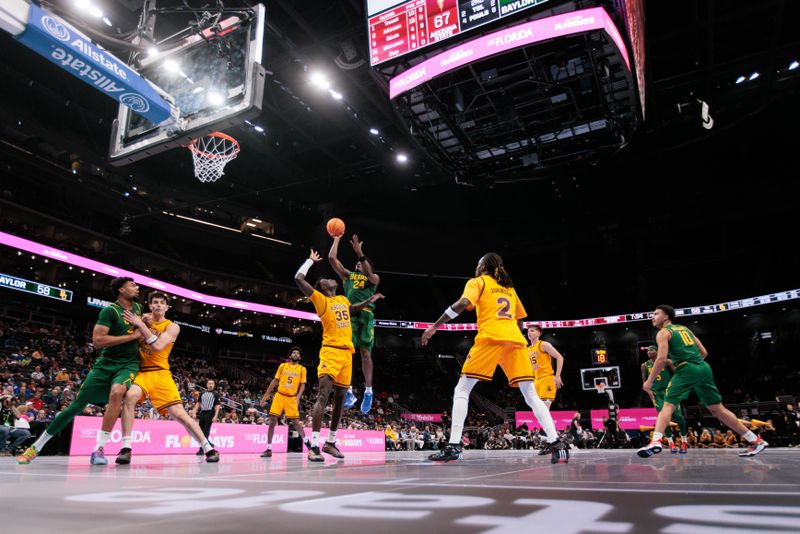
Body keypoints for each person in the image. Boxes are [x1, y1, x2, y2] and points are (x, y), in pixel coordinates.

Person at [421, 253, 568, 463]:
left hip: (490, 338)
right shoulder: (509, 289)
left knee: (462, 389)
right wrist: (516, 341)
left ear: (483, 267)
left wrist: (434, 326)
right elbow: (519, 321)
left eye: (478, 263)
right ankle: (557, 443)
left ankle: (453, 446)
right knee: (531, 395)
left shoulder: (478, 282)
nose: (476, 266)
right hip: (515, 341)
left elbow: (462, 303)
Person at [18, 277, 143, 465]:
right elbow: (98, 341)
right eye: (132, 285)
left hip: (128, 364)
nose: (137, 287)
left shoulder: (138, 309)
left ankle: (98, 449)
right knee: (76, 406)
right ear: (121, 290)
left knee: (118, 392)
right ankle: (36, 447)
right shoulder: (110, 311)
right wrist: (132, 336)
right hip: (105, 363)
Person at [637, 305, 767, 458]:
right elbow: (704, 352)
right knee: (718, 409)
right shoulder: (685, 329)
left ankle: (656, 441)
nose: (652, 317)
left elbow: (662, 359)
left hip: (686, 369)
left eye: (656, 313)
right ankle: (756, 440)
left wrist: (649, 381)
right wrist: (695, 366)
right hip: (704, 367)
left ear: (666, 317)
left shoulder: (663, 332)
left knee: (667, 405)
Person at [294, 249, 384, 462]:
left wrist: (370, 299)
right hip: (331, 353)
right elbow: (298, 278)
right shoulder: (321, 301)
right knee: (323, 396)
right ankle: (314, 445)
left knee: (341, 400)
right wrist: (309, 261)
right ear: (323, 288)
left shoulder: (342, 299)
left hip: (346, 355)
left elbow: (353, 309)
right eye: (325, 279)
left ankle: (331, 442)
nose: (328, 278)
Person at [118, 293, 219, 464]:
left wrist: (141, 324)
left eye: (161, 303)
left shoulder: (172, 327)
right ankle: (126, 449)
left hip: (161, 373)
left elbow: (157, 346)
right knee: (130, 397)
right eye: (154, 302)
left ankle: (207, 447)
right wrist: (138, 323)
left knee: (179, 414)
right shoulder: (141, 319)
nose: (158, 305)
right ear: (150, 306)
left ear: (167, 307)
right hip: (141, 372)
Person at [329, 234, 380, 413]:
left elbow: (368, 270)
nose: (358, 264)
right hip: (349, 316)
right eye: (357, 263)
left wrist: (360, 253)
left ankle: (368, 391)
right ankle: (349, 390)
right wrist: (336, 238)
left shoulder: (373, 279)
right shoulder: (347, 276)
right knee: (346, 353)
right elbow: (332, 259)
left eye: (362, 263)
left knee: (365, 354)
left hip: (366, 316)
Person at [259, 346, 311, 457]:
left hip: (291, 397)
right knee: (272, 422)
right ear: (290, 355)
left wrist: (298, 397)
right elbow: (275, 381)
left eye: (297, 353)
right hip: (279, 395)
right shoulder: (282, 366)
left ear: (300, 357)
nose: (295, 354)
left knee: (296, 423)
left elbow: (303, 385)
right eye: (293, 352)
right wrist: (265, 396)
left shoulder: (302, 369)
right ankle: (268, 449)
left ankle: (309, 444)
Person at [641, 345, 688, 453]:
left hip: (670, 392)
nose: (648, 352)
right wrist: (649, 392)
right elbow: (644, 383)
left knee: (679, 416)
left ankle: (684, 442)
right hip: (657, 394)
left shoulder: (667, 361)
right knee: (663, 419)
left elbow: (678, 374)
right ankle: (671, 444)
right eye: (647, 350)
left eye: (651, 350)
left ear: (657, 351)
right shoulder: (644, 365)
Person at [190, 379, 221, 454]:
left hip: (210, 413)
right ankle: (210, 445)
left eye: (212, 384)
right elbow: (198, 403)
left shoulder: (215, 394)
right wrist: (194, 412)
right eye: (209, 383)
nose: (210, 385)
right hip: (202, 413)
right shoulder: (202, 393)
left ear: (214, 385)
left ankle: (202, 450)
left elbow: (217, 406)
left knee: (205, 433)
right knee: (200, 432)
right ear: (207, 385)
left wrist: (215, 416)